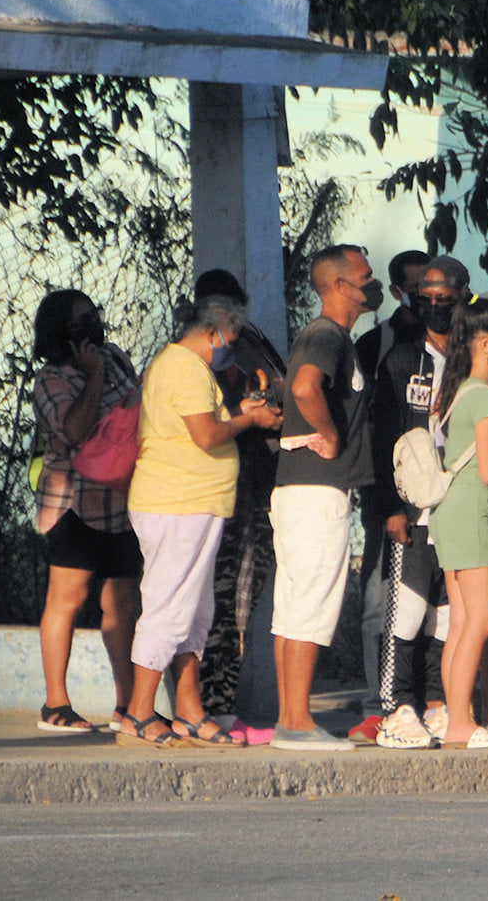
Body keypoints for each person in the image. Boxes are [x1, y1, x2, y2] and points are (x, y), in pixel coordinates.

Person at [119, 297, 282, 747]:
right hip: (176, 503)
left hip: (198, 503)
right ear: (216, 331)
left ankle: (190, 711)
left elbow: (208, 425)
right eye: (232, 336)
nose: (231, 346)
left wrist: (240, 413)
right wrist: (249, 419)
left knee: (195, 612)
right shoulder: (185, 367)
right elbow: (206, 434)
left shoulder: (188, 368)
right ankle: (137, 713)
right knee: (168, 608)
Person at [270, 244, 380, 750]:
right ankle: (295, 721)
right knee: (312, 604)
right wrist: (330, 435)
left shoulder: (333, 337)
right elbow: (305, 387)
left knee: (294, 608)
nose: (371, 283)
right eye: (364, 276)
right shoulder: (327, 335)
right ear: (339, 286)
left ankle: (292, 716)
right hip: (317, 491)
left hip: (301, 491)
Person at [356, 255, 468, 749]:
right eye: (428, 300)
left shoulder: (475, 363)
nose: (438, 308)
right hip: (413, 510)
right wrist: (389, 508)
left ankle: (436, 702)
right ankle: (397, 708)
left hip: (461, 511)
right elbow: (383, 441)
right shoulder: (401, 361)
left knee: (446, 613)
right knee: (407, 611)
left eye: (447, 299)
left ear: (466, 297)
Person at [29, 291, 142, 736]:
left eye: (92, 317)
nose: (90, 326)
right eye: (79, 322)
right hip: (73, 501)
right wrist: (93, 376)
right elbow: (74, 430)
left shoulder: (115, 357)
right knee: (68, 599)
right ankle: (56, 703)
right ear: (59, 332)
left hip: (121, 500)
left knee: (123, 604)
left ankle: (128, 704)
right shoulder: (50, 380)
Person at [190, 269, 287, 739]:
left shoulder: (252, 340)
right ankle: (211, 704)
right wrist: (251, 416)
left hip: (255, 489)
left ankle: (225, 702)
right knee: (218, 599)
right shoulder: (192, 357)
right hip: (220, 491)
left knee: (243, 602)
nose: (229, 325)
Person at [428, 295, 488, 748]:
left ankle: (457, 719)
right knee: (483, 617)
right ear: (487, 344)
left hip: (450, 514)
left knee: (463, 621)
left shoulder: (457, 391)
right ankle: (462, 723)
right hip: (471, 511)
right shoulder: (485, 397)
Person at [355, 250, 431, 380]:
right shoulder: (373, 345)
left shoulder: (457, 332)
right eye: (416, 287)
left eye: (432, 284)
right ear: (396, 292)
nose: (427, 293)